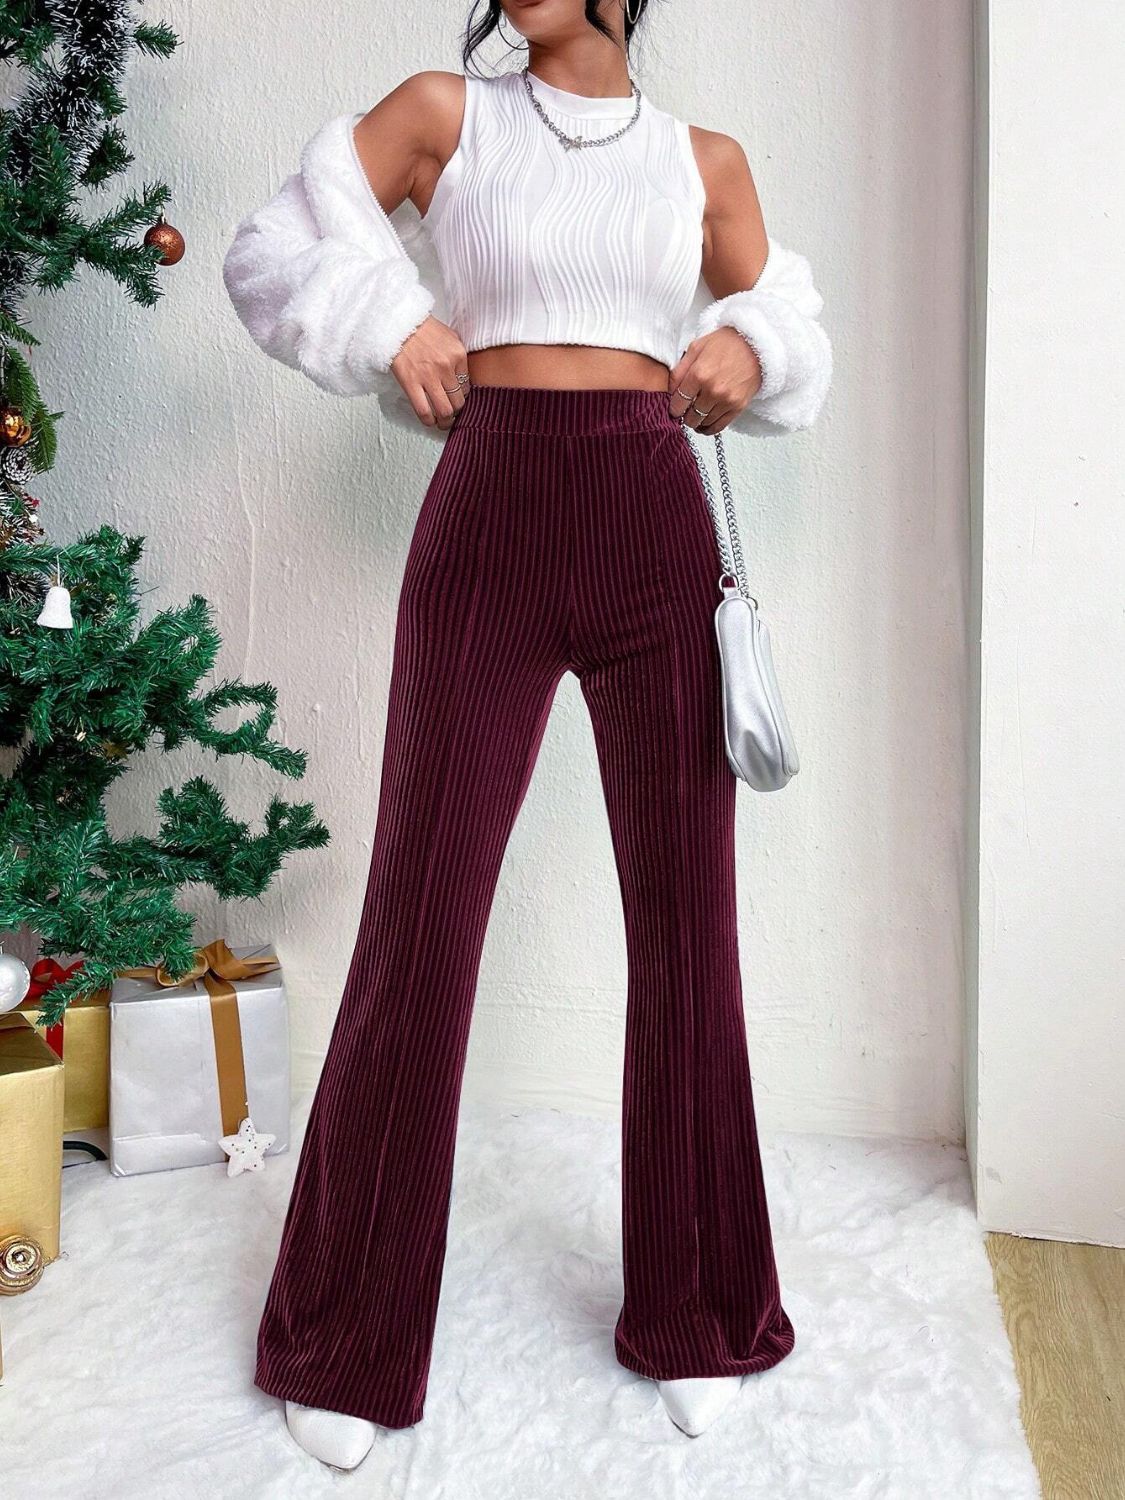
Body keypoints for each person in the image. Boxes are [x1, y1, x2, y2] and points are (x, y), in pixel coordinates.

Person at [222, 0, 831, 1471]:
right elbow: (265, 251)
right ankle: (346, 1338)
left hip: (650, 521)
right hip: (487, 511)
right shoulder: (446, 114)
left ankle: (700, 1312)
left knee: (686, 921)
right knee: (420, 915)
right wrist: (390, 320)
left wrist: (751, 346)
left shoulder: (703, 159)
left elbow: (799, 333)